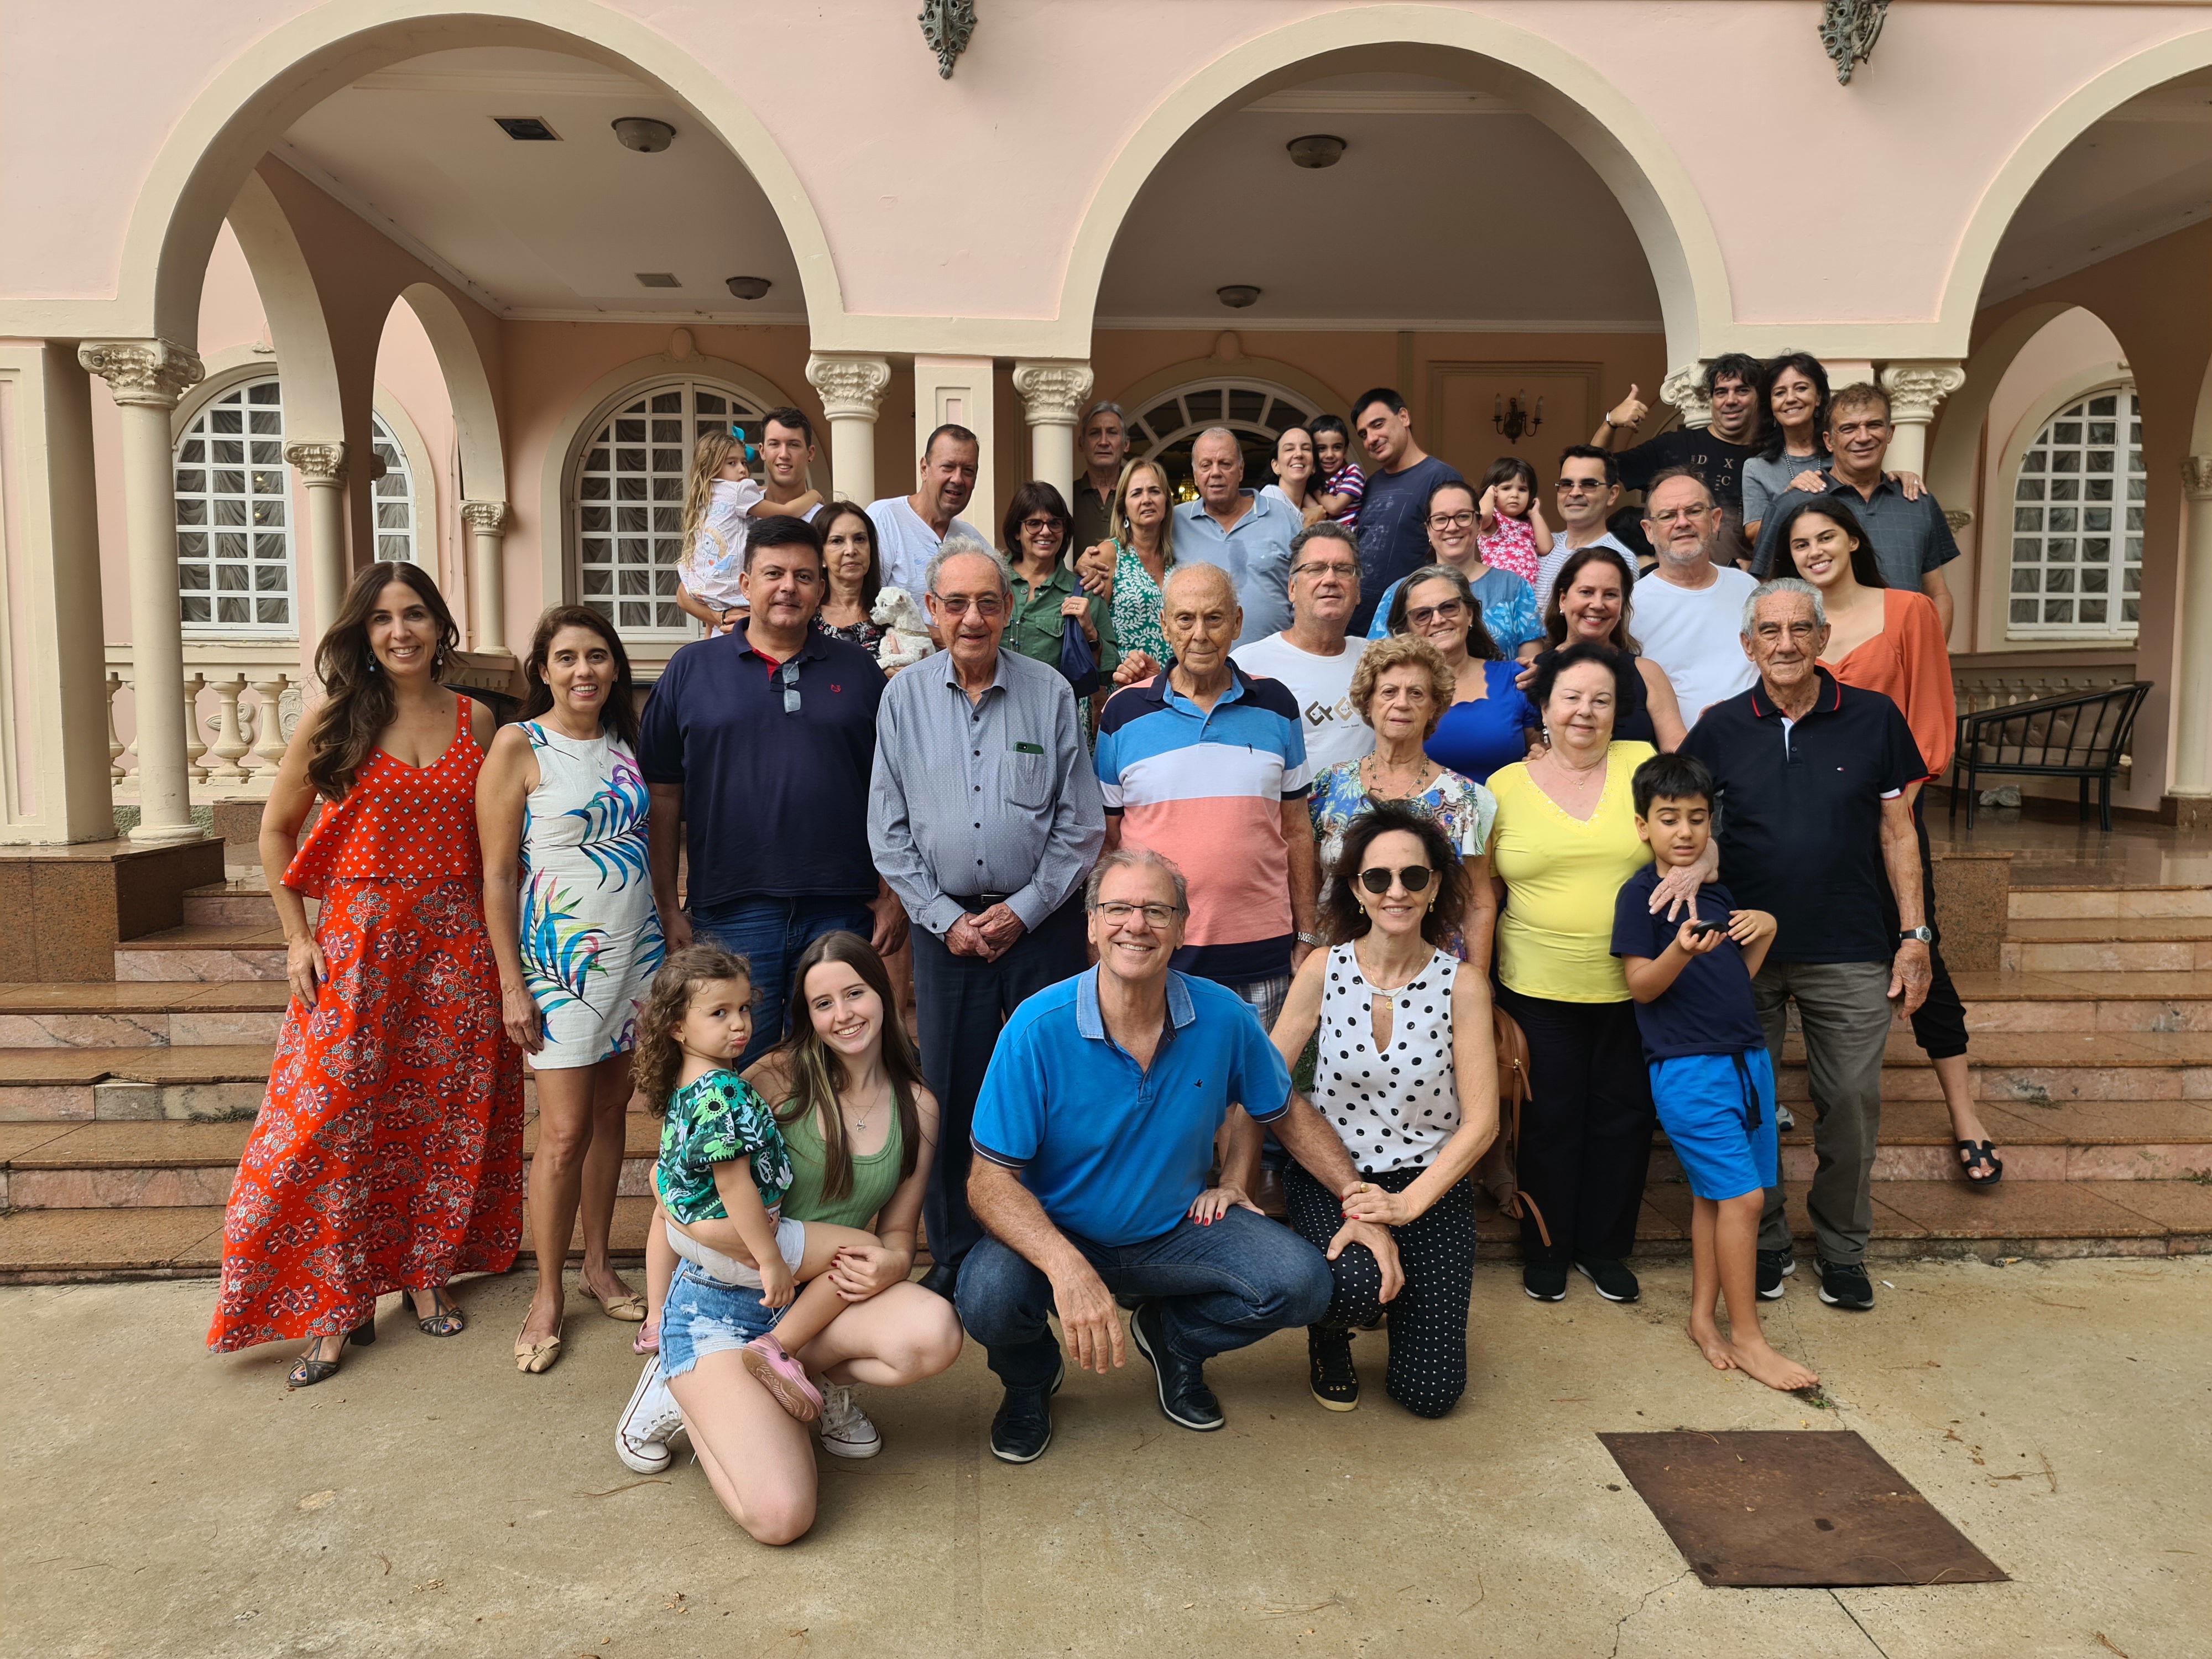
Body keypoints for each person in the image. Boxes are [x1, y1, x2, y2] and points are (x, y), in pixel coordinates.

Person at [955, 848, 1401, 1461]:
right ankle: (1029, 1381)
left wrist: (1358, 1204)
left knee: (1300, 1285)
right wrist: (1065, 1266)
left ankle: (1175, 1340)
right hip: (1059, 1232)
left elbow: (1288, 1114)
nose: (1135, 925)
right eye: (1117, 909)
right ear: (1090, 924)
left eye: (1156, 911)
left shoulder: (1223, 1015)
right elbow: (988, 1183)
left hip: (1175, 1231)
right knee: (985, 1297)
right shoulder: (1038, 1027)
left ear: (1182, 926)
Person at [207, 563, 522, 1385]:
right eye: (382, 619)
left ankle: (424, 1275)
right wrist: (295, 938)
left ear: (440, 625)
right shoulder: (336, 720)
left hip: (456, 949)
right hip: (359, 949)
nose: (400, 632)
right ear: (363, 633)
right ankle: (334, 1303)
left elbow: (498, 847)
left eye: (415, 614)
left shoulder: (478, 721)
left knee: (442, 1120)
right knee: (332, 1128)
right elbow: (277, 833)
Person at [618, 933, 961, 1498]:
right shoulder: (768, 1081)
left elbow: (898, 1233)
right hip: (730, 1298)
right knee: (782, 1511)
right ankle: (683, 1389)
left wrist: (892, 1265)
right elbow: (681, 1191)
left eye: (855, 994)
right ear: (808, 1015)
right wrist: (660, 1304)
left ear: (885, 991)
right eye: (824, 1004)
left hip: (817, 1291)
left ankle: (797, 1372)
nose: (844, 1014)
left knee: (934, 1333)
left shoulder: (917, 1105)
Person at [1679, 578, 1934, 1313]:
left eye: (1799, 629)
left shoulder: (1875, 718)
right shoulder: (1721, 728)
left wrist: (1914, 934)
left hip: (1850, 943)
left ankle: (1843, 1250)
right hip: (1742, 950)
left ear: (1824, 640)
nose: (1785, 644)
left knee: (1851, 1102)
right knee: (1749, 1108)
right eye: (1770, 631)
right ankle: (1761, 1247)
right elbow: (1686, 826)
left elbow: (1898, 831)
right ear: (1748, 645)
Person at [868, 537, 1105, 1297]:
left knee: (1054, 1087)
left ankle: (1052, 1246)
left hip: (1043, 926)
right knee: (953, 1091)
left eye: (988, 602)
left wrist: (1026, 910)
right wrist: (943, 917)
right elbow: (888, 828)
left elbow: (1081, 823)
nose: (973, 618)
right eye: (956, 604)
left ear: (1009, 609)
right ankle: (958, 1257)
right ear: (932, 612)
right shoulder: (901, 699)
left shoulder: (1050, 693)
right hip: (947, 936)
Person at [1774, 497, 1999, 1186]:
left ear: (1851, 540)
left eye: (1825, 537)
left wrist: (1895, 812)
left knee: (1919, 945)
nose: (1814, 551)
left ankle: (1964, 1111)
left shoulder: (1907, 610)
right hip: (1808, 827)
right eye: (1800, 544)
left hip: (1888, 815)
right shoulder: (1790, 624)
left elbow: (1930, 720)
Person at [639, 515, 906, 1067]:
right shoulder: (691, 670)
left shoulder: (859, 674)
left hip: (841, 909)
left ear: (821, 588)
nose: (789, 586)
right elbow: (661, 796)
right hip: (730, 911)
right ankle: (745, 1163)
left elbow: (895, 790)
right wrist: (668, 906)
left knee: (844, 1070)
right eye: (774, 573)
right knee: (739, 1074)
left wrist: (891, 894)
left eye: (804, 576)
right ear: (745, 585)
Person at [1258, 803, 1499, 1415]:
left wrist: (1407, 1205)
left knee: (1431, 1396)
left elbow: (1481, 1123)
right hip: (1333, 1174)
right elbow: (1260, 1080)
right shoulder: (1323, 969)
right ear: (1356, 890)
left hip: (1428, 1184)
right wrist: (1235, 1179)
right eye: (1378, 878)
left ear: (1436, 884)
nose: (1397, 892)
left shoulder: (1463, 985)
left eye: (1413, 877)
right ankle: (1333, 1331)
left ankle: (1403, 1305)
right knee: (1353, 1285)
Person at [479, 606, 662, 1373]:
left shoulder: (626, 745)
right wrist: (511, 986)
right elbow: (495, 876)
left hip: (635, 957)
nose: (583, 670)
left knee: (615, 1112)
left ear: (615, 667)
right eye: (566, 659)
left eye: (596, 656)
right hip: (559, 964)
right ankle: (547, 1291)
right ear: (544, 671)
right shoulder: (520, 744)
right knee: (560, 1134)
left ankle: (597, 1265)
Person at [1612, 753, 1818, 1393]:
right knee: (1746, 1200)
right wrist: (1677, 948)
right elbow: (1642, 987)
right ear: (1643, 825)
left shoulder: (1719, 893)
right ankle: (1750, 1339)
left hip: (1746, 1061)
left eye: (1696, 820)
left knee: (1716, 1196)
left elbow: (1732, 979)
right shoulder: (1638, 896)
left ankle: (1704, 1320)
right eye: (1668, 819)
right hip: (1687, 1071)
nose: (1683, 832)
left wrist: (1765, 930)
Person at [1485, 642, 1661, 1306]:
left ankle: (1605, 1248)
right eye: (1571, 697)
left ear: (1619, 710)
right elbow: (1483, 892)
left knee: (1622, 1119)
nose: (1584, 711)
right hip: (1534, 986)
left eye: (1600, 699)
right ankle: (1547, 1247)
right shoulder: (1505, 786)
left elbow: (1692, 836)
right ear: (1546, 706)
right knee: (1548, 1122)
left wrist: (1702, 866)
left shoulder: (1643, 764)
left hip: (1634, 985)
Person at [1095, 562, 1316, 1029]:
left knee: (1254, 1099)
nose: (1200, 634)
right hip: (1154, 954)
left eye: (1214, 618)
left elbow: (1298, 830)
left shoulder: (1277, 705)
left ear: (1237, 623)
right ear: (1164, 625)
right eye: (1185, 619)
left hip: (1262, 957)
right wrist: (1099, 936)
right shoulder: (1123, 713)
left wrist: (1308, 932)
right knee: (1166, 1097)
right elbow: (1106, 843)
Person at [1306, 634, 1500, 966]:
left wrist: (1477, 984)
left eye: (1416, 693)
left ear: (1434, 707)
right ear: (1368, 703)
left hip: (1437, 975)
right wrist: (1307, 950)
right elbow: (1309, 881)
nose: (1402, 703)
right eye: (1389, 692)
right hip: (1338, 967)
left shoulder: (1466, 799)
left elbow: (1478, 902)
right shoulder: (1329, 786)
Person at [1750, 384, 1961, 635]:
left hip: (1903, 660)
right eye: (1848, 428)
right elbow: (1763, 596)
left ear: (1890, 432)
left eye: (1874, 425)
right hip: (1822, 663)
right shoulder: (1792, 504)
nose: (1863, 437)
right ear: (1829, 440)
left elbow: (1938, 593)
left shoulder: (1917, 502)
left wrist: (1931, 659)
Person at [1232, 521, 1374, 776]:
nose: (1330, 579)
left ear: (1358, 591)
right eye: (1316, 569)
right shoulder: (1247, 666)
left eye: (1343, 570)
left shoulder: (1378, 661)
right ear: (1293, 588)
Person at [1592, 354, 1765, 563]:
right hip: (1672, 580)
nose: (1730, 400)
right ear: (1711, 400)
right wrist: (1611, 423)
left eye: (1742, 390)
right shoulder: (1674, 445)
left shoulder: (1768, 458)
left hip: (1737, 586)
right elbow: (1594, 471)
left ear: (1759, 397)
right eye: (1721, 392)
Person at [1741, 355, 1926, 542]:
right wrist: (1788, 500)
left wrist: (1897, 478)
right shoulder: (1757, 467)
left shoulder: (1846, 449)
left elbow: (1868, 494)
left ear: (1819, 397)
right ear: (1770, 405)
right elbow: (1754, 536)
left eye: (1801, 389)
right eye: (1779, 393)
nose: (1790, 399)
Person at [1385, 564, 1539, 786]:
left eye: (1448, 607)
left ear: (1469, 614)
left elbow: (1540, 751)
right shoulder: (1394, 692)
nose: (1438, 620)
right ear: (1407, 629)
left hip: (1504, 815)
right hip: (1420, 818)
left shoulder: (1516, 679)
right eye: (1422, 614)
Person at [1628, 470, 1759, 727]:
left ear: (1715, 520)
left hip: (1758, 742)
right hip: (1676, 757)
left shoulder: (1748, 588)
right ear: (1649, 531)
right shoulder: (1630, 606)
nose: (1682, 523)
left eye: (1694, 511)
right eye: (1667, 516)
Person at [1528, 547, 1688, 750]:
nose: (1597, 604)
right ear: (1563, 599)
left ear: (1622, 606)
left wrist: (1710, 727)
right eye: (1586, 592)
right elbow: (1527, 749)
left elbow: (1677, 749)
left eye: (1610, 595)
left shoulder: (1647, 673)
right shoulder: (1533, 673)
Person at [1366, 479, 1543, 658]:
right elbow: (1376, 664)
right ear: (1428, 529)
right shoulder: (1399, 592)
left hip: (1499, 686)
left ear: (1479, 524)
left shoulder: (1514, 587)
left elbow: (1531, 669)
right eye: (1441, 519)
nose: (1452, 527)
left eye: (1463, 516)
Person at [675, 425, 825, 634]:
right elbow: (787, 512)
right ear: (712, 466)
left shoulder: (706, 493)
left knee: (714, 634)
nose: (742, 469)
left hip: (704, 587)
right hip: (734, 590)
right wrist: (814, 495)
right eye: (732, 463)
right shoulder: (739, 491)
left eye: (744, 462)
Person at [1347, 388, 1465, 634]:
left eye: (1378, 425)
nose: (1371, 439)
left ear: (1404, 417)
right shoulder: (1372, 484)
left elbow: (1456, 558)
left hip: (1409, 625)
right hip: (1359, 623)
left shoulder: (1441, 478)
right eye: (1363, 434)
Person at [1170, 427, 1299, 645]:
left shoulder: (1281, 515)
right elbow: (1137, 553)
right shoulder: (1174, 522)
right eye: (1206, 465)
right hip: (1199, 665)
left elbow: (1306, 585)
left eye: (1225, 464)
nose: (1216, 473)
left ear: (1240, 470)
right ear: (1195, 475)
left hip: (1274, 667)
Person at [1001, 479, 1117, 686]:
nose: (1046, 532)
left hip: (1052, 712)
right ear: (1017, 532)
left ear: (1064, 532)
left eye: (1055, 523)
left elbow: (1110, 670)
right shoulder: (993, 583)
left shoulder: (1085, 590)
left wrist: (1090, 632)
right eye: (1034, 523)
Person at [1072, 455, 1177, 669]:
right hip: (1118, 684)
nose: (1146, 499)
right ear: (1123, 508)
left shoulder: (1176, 559)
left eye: (1154, 491)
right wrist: (1098, 694)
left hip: (1167, 685)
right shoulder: (1108, 555)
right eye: (1137, 493)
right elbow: (1088, 633)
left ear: (1166, 501)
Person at [868, 424, 987, 598]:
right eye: (948, 467)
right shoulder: (885, 519)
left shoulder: (974, 541)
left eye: (968, 471)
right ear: (924, 469)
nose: (958, 479)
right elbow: (867, 607)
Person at [1535, 445, 1638, 609]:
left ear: (1612, 495)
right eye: (1567, 484)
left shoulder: (1622, 558)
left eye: (1589, 484)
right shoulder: (1540, 545)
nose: (1575, 492)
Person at [813, 501, 888, 656]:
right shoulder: (805, 618)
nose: (851, 550)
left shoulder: (892, 614)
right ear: (821, 556)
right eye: (837, 541)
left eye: (859, 539)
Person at [1474, 456, 1552, 588]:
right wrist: (1489, 494)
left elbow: (1546, 548)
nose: (1515, 494)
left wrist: (1535, 515)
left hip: (1525, 593)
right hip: (1498, 588)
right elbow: (1482, 515)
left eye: (1522, 489)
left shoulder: (1529, 524)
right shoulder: (1493, 521)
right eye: (1506, 488)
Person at [1070, 400, 1131, 551]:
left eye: (1112, 433)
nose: (1104, 442)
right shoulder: (1066, 495)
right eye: (1095, 433)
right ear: (1081, 443)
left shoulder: (1139, 495)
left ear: (1126, 444)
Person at [1310, 413, 1366, 527]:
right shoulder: (1315, 478)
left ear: (1345, 451)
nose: (1330, 455)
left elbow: (1335, 508)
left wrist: (1313, 485)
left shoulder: (1353, 472)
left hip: (1349, 541)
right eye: (1321, 449)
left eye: (1337, 447)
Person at [1261, 424, 1324, 524]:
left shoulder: (1311, 508)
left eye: (1306, 449)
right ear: (1276, 466)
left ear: (1314, 467)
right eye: (1289, 449)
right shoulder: (1270, 499)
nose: (1299, 454)